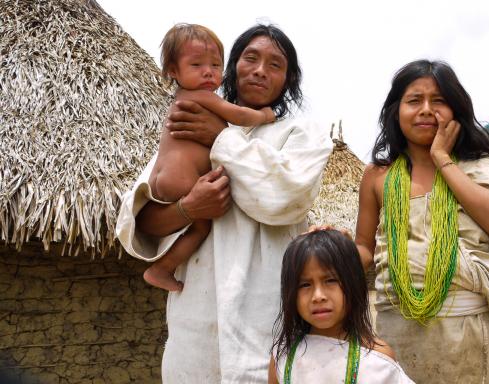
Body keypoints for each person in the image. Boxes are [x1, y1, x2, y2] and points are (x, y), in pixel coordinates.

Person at [115, 24, 333, 383]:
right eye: (250, 58)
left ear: (288, 79)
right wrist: (189, 209)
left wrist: (222, 139)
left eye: (275, 65)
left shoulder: (301, 134)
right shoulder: (188, 127)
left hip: (266, 318)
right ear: (233, 67)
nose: (260, 70)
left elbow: (282, 198)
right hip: (193, 323)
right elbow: (140, 221)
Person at [355, 59, 489, 383]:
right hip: (399, 331)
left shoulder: (480, 167)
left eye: (438, 101)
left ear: (456, 111)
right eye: (413, 100)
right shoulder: (377, 176)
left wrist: (443, 160)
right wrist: (334, 249)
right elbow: (363, 246)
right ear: (395, 111)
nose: (425, 110)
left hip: (470, 332)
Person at [144, 23, 276, 292]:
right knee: (200, 229)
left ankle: (162, 268)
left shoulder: (183, 99)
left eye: (215, 65)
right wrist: (264, 115)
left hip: (166, 176)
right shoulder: (202, 97)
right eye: (196, 65)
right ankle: (161, 269)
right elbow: (238, 115)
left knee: (195, 227)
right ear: (173, 71)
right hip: (183, 179)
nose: (208, 72)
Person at [269, 229, 414, 384]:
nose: (318, 296)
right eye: (305, 284)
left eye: (330, 280)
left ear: (353, 283)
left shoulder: (377, 360)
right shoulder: (284, 356)